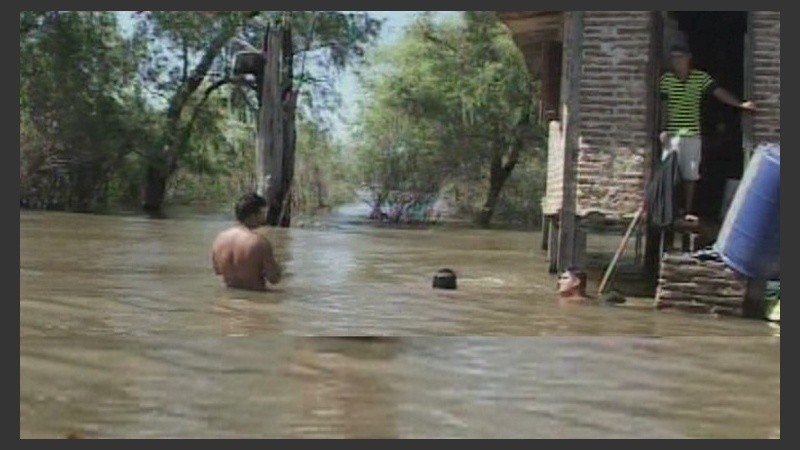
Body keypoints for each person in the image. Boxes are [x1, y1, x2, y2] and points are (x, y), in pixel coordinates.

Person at [659, 42, 756, 223]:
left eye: (680, 58)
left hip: (692, 134)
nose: (676, 62)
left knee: (691, 174)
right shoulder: (666, 80)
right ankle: (669, 209)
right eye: (674, 59)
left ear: (688, 59)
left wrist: (740, 104)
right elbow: (664, 106)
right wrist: (663, 129)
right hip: (672, 134)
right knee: (669, 173)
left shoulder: (700, 78)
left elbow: (718, 93)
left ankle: (687, 210)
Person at [211, 193, 282, 291]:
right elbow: (274, 279)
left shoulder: (219, 239)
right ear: (253, 215)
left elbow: (217, 271)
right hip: (255, 298)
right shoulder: (260, 243)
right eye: (262, 213)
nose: (265, 217)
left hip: (225, 299)